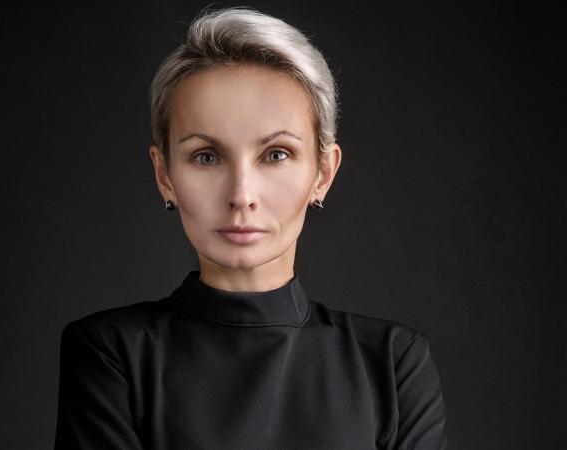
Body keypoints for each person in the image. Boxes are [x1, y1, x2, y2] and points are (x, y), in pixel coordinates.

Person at [53, 6, 448, 449]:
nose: (241, 195)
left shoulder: (392, 363)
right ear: (165, 174)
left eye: (276, 154)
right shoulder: (111, 352)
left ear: (323, 173)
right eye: (206, 157)